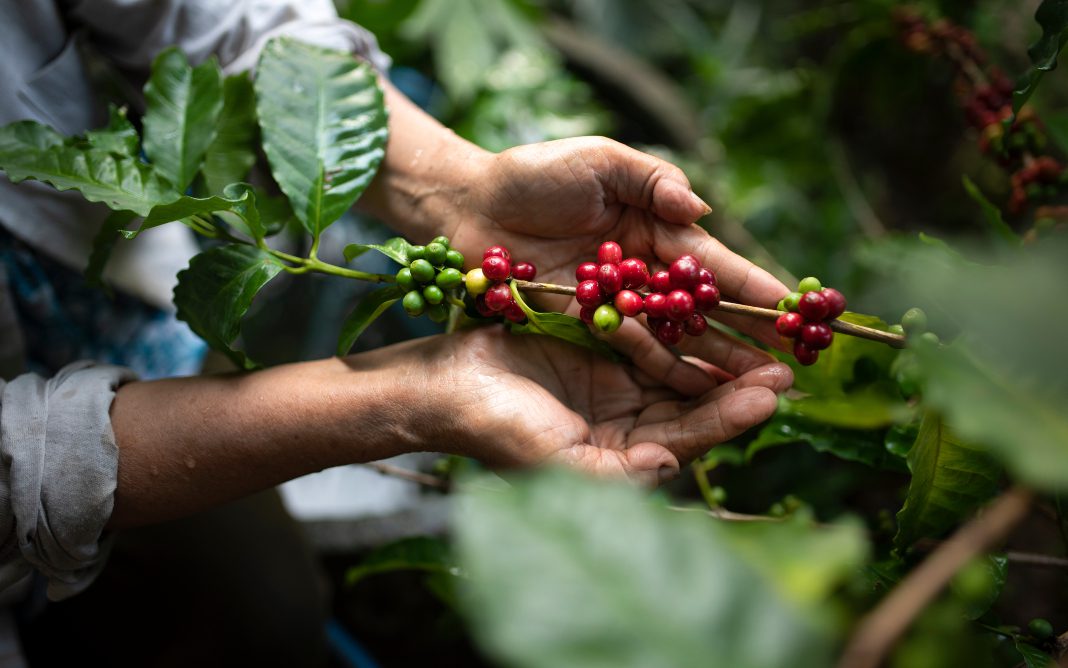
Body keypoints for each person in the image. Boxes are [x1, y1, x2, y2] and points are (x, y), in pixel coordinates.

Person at [0, 0, 793, 664]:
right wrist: (413, 396)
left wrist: (462, 192)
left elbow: (219, 19)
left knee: (266, 611)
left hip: (113, 315)